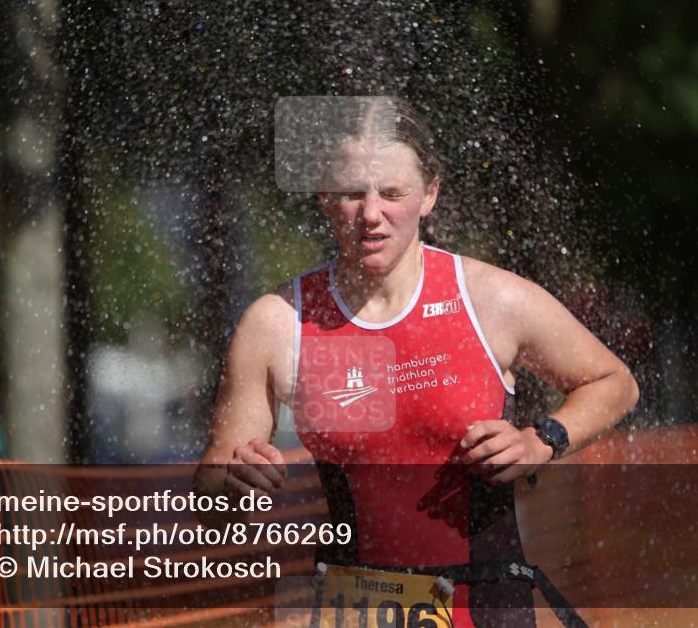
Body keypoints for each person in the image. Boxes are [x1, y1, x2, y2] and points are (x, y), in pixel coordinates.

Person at [195, 97, 639, 627]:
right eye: (352, 195)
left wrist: (539, 441)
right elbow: (212, 488)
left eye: (392, 193)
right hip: (356, 611)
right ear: (323, 196)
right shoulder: (278, 323)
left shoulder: (491, 300)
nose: (372, 214)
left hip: (487, 606)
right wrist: (233, 480)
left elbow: (614, 382)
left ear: (430, 193)